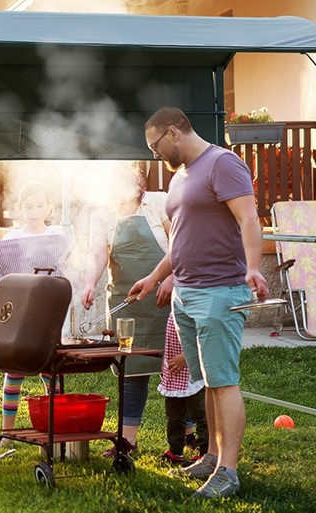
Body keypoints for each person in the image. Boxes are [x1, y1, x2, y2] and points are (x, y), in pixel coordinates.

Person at [130, 107, 269, 498]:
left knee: (223, 381)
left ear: (173, 132)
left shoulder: (222, 164)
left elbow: (248, 219)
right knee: (206, 380)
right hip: (186, 293)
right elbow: (180, 240)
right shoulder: (180, 178)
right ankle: (210, 455)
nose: (156, 154)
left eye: (155, 146)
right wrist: (155, 278)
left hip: (219, 291)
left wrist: (255, 267)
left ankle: (228, 471)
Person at [80, 166, 171, 458]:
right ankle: (128, 440)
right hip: (125, 302)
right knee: (131, 371)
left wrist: (171, 277)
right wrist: (89, 282)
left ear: (138, 184)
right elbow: (98, 253)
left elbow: (180, 242)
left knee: (179, 368)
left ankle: (188, 437)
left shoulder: (158, 202)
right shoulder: (102, 214)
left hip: (165, 297)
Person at [0, 180, 67, 456]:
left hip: (46, 314)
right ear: (20, 208)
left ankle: (54, 432)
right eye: (29, 205)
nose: (34, 210)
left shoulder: (57, 235)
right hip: (20, 314)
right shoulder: (11, 239)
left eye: (40, 205)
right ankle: (7, 434)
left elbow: (66, 270)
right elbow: (2, 275)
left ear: (49, 207)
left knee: (50, 372)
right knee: (14, 372)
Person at [158, 313, 209, 466]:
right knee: (174, 415)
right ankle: (175, 450)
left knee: (201, 416)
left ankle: (206, 452)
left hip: (193, 371)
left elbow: (203, 335)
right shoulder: (176, 306)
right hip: (174, 372)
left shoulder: (197, 306)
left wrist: (186, 357)